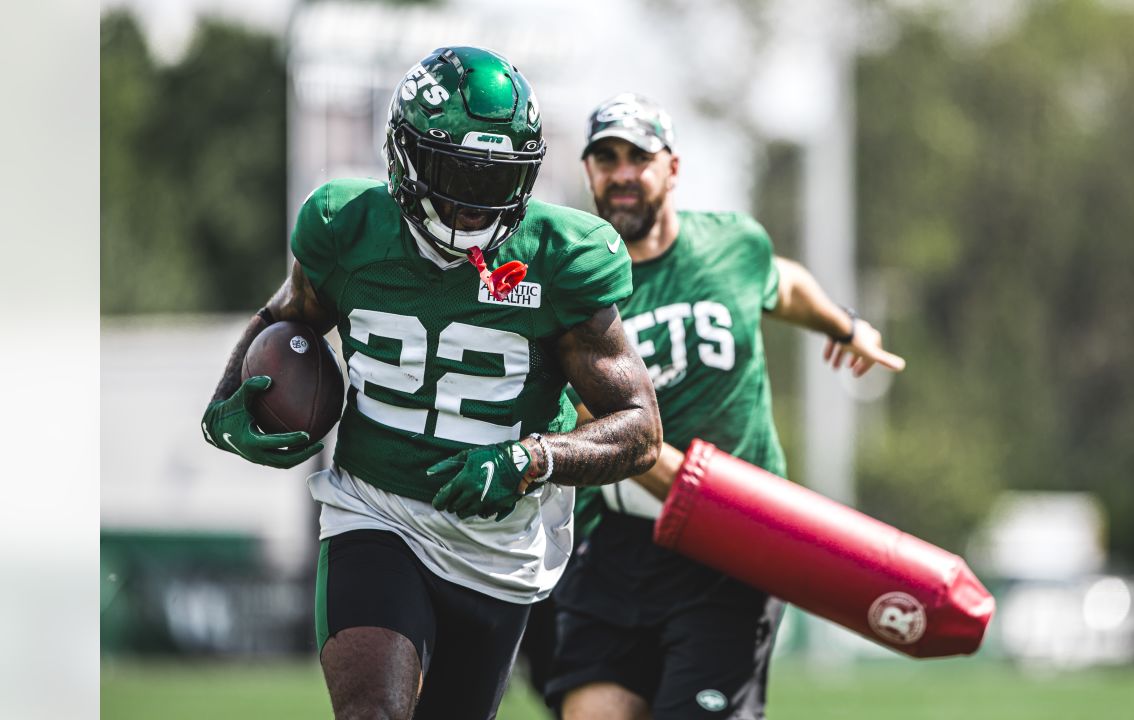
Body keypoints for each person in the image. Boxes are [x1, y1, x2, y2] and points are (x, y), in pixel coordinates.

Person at [199, 49, 662, 720]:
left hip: (498, 547)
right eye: (454, 172)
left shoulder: (561, 259)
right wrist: (225, 401)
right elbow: (286, 317)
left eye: (494, 177)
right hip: (377, 510)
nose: (474, 204)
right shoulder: (347, 227)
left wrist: (531, 458)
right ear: (405, 156)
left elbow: (640, 429)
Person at [545, 94, 906, 720]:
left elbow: (783, 282)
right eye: (605, 158)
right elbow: (575, 413)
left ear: (673, 169)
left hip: (733, 550)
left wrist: (843, 325)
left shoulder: (734, 245)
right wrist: (674, 477)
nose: (622, 174)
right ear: (590, 172)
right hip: (615, 553)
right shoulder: (574, 280)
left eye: (639, 157)